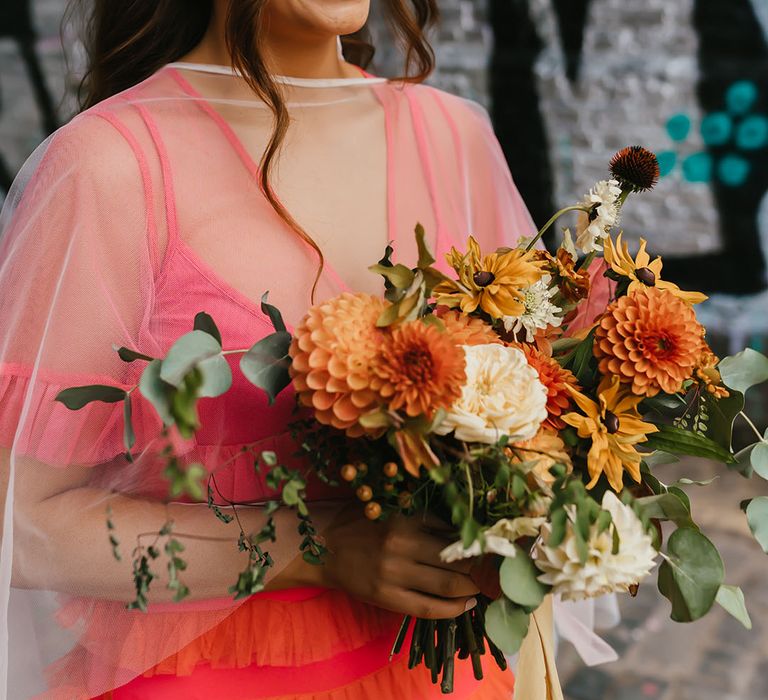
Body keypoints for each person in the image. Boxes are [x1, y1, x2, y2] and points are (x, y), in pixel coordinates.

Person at [0, 1, 545, 697]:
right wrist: (319, 547)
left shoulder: (454, 134)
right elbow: (17, 520)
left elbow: (538, 414)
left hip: (449, 673)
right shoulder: (110, 164)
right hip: (211, 673)